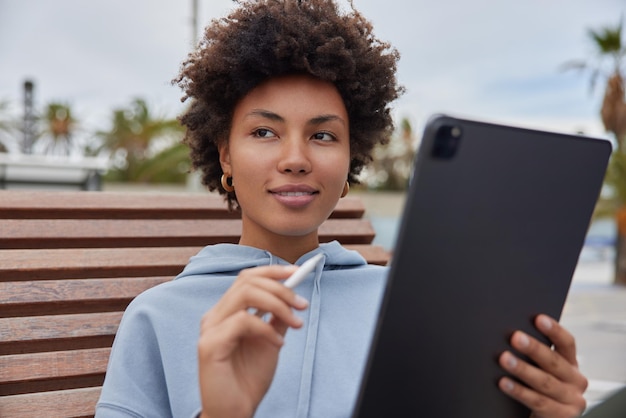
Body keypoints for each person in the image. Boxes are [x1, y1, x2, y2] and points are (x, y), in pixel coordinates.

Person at [95, 1, 588, 417]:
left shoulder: (411, 307)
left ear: (350, 159)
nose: (295, 159)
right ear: (224, 153)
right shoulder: (156, 319)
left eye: (323, 135)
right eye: (264, 131)